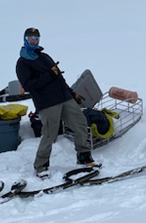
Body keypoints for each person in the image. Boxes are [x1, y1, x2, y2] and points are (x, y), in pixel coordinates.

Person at [16, 27, 98, 178]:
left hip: (64, 97)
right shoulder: (23, 62)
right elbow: (28, 85)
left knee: (80, 124)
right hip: (47, 103)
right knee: (49, 134)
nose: (33, 41)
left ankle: (84, 157)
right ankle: (41, 166)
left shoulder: (44, 56)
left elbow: (58, 77)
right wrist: (49, 74)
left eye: (35, 38)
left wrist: (72, 93)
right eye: (30, 38)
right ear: (25, 40)